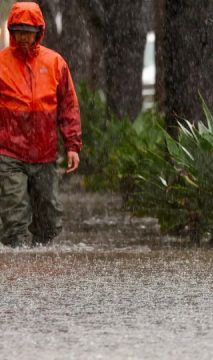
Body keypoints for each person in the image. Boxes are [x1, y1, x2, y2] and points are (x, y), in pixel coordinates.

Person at [0, 2, 82, 248]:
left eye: (28, 31)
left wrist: (72, 145)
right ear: (11, 31)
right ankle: (19, 267)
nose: (24, 37)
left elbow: (68, 105)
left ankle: (39, 266)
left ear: (39, 31)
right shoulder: (1, 64)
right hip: (8, 153)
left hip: (44, 154)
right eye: (19, 31)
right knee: (15, 218)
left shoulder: (55, 63)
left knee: (49, 221)